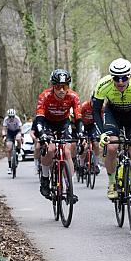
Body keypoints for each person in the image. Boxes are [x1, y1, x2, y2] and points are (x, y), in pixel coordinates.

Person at [92, 58, 131, 200]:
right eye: (116, 78)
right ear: (111, 77)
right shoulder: (103, 84)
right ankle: (112, 183)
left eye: (124, 78)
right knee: (112, 147)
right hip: (113, 114)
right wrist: (102, 134)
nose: (120, 82)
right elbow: (96, 111)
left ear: (130, 76)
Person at [35, 69, 83, 201]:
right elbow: (39, 118)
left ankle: (69, 188)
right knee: (50, 149)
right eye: (58, 87)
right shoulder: (44, 96)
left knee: (67, 151)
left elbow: (78, 118)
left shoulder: (73, 96)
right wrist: (42, 135)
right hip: (47, 123)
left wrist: (80, 133)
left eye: (65, 86)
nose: (62, 90)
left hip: (63, 123)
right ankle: (45, 179)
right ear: (52, 86)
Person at [77, 98, 101, 175]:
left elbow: (102, 119)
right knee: (84, 146)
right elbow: (79, 118)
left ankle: (96, 165)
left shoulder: (101, 107)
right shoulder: (84, 106)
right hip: (83, 125)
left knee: (96, 144)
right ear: (90, 101)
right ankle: (81, 165)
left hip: (93, 126)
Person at [2, 108, 22, 175]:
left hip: (17, 131)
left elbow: (21, 128)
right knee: (9, 147)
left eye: (12, 116)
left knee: (18, 139)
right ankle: (10, 167)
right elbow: (4, 129)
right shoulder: (6, 119)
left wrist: (21, 135)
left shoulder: (17, 118)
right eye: (10, 116)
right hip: (10, 132)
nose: (11, 118)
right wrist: (4, 136)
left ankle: (19, 152)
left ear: (14, 116)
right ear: (8, 116)